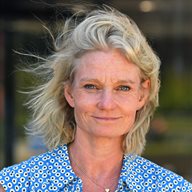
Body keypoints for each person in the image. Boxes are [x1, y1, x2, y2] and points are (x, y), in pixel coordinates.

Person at [0, 5, 191, 192]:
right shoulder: (16, 184)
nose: (106, 104)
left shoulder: (171, 188)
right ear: (69, 92)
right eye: (91, 86)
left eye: (123, 88)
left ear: (141, 94)